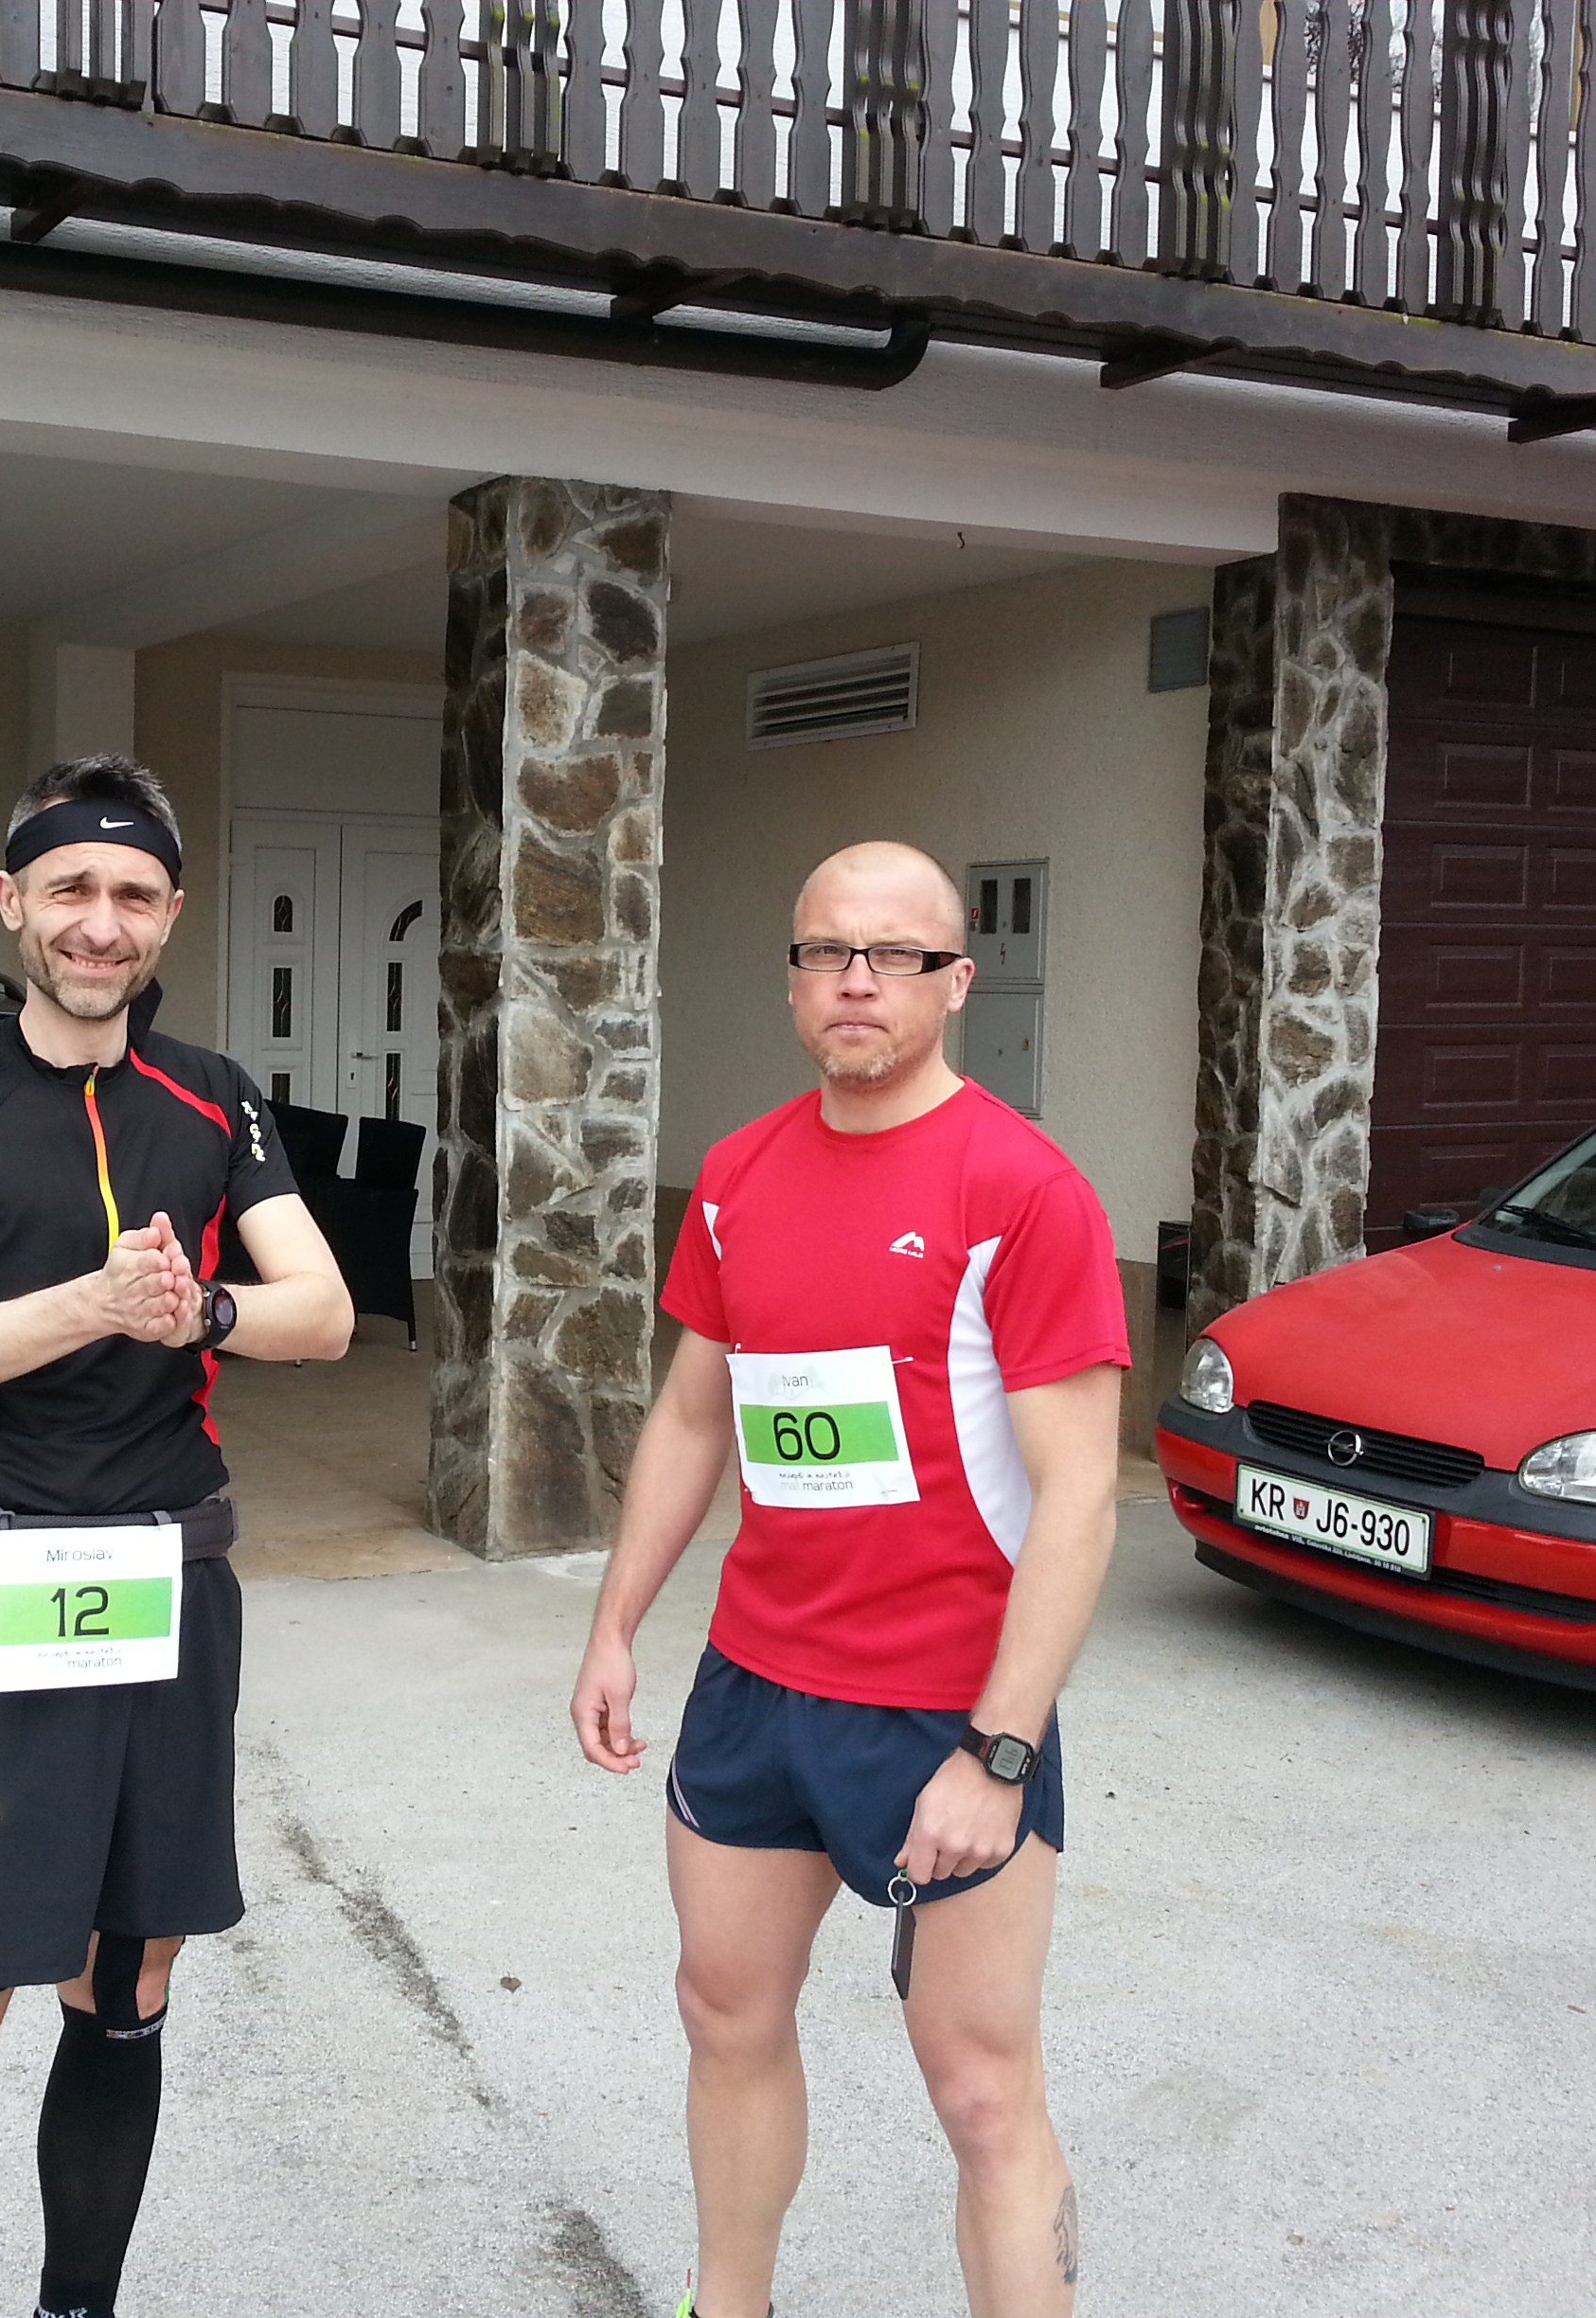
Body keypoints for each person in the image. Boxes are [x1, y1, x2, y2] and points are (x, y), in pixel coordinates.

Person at [0, 754, 355, 2318]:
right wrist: (92, 1305)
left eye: (132, 893)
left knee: (127, 1984)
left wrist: (202, 1311)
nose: (99, 922)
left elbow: (323, 1312)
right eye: (69, 888)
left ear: (170, 913)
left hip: (170, 1580)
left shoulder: (215, 1095)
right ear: (14, 902)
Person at [568, 841, 1128, 2318]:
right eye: (827, 951)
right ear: (796, 978)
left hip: (946, 1707)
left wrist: (1000, 1751)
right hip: (757, 1686)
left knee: (981, 2087)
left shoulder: (1023, 1190)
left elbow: (1082, 1500)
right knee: (725, 2015)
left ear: (958, 981)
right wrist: (615, 1625)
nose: (858, 981)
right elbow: (696, 1416)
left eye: (895, 955)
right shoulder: (738, 1174)